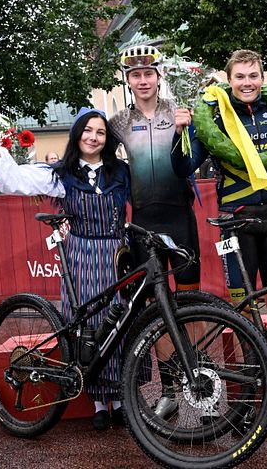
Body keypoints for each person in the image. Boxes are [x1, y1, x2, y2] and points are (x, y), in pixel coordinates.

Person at [172, 49, 267, 419]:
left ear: (261, 78)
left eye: (253, 76)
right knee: (245, 309)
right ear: (228, 79)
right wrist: (181, 132)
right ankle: (249, 393)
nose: (247, 83)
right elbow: (185, 165)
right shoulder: (214, 116)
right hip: (235, 222)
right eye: (240, 77)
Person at [0, 108, 131, 431]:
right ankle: (100, 402)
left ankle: (121, 398)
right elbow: (14, 181)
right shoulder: (61, 174)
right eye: (88, 130)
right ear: (77, 135)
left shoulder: (121, 173)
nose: (93, 137)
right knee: (87, 325)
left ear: (107, 139)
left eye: (100, 132)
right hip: (82, 255)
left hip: (116, 255)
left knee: (119, 323)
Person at [109, 44, 202, 420]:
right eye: (136, 74)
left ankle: (199, 383)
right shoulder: (117, 122)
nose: (143, 80)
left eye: (148, 73)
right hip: (144, 222)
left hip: (180, 217)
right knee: (156, 310)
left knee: (191, 304)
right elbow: (93, 157)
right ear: (128, 80)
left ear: (158, 76)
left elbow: (201, 151)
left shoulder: (178, 111)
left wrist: (190, 126)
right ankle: (168, 389)